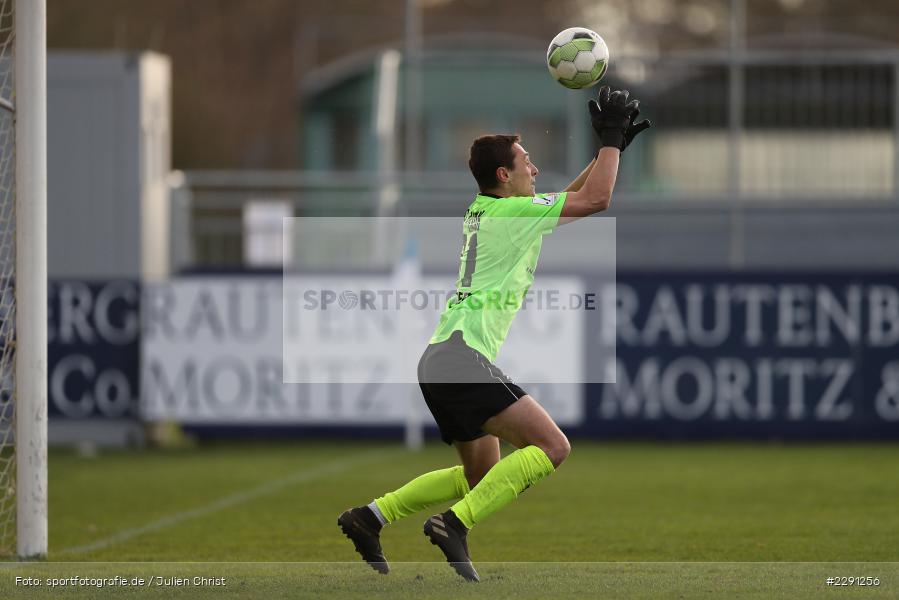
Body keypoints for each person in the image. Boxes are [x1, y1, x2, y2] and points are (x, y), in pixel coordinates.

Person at [338, 86, 651, 582]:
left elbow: (572, 199)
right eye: (526, 162)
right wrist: (610, 138)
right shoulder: (508, 215)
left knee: (480, 477)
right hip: (461, 358)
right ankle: (453, 525)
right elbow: (595, 200)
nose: (534, 169)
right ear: (504, 175)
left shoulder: (495, 210)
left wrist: (606, 152)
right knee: (552, 447)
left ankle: (370, 516)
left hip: (441, 359)